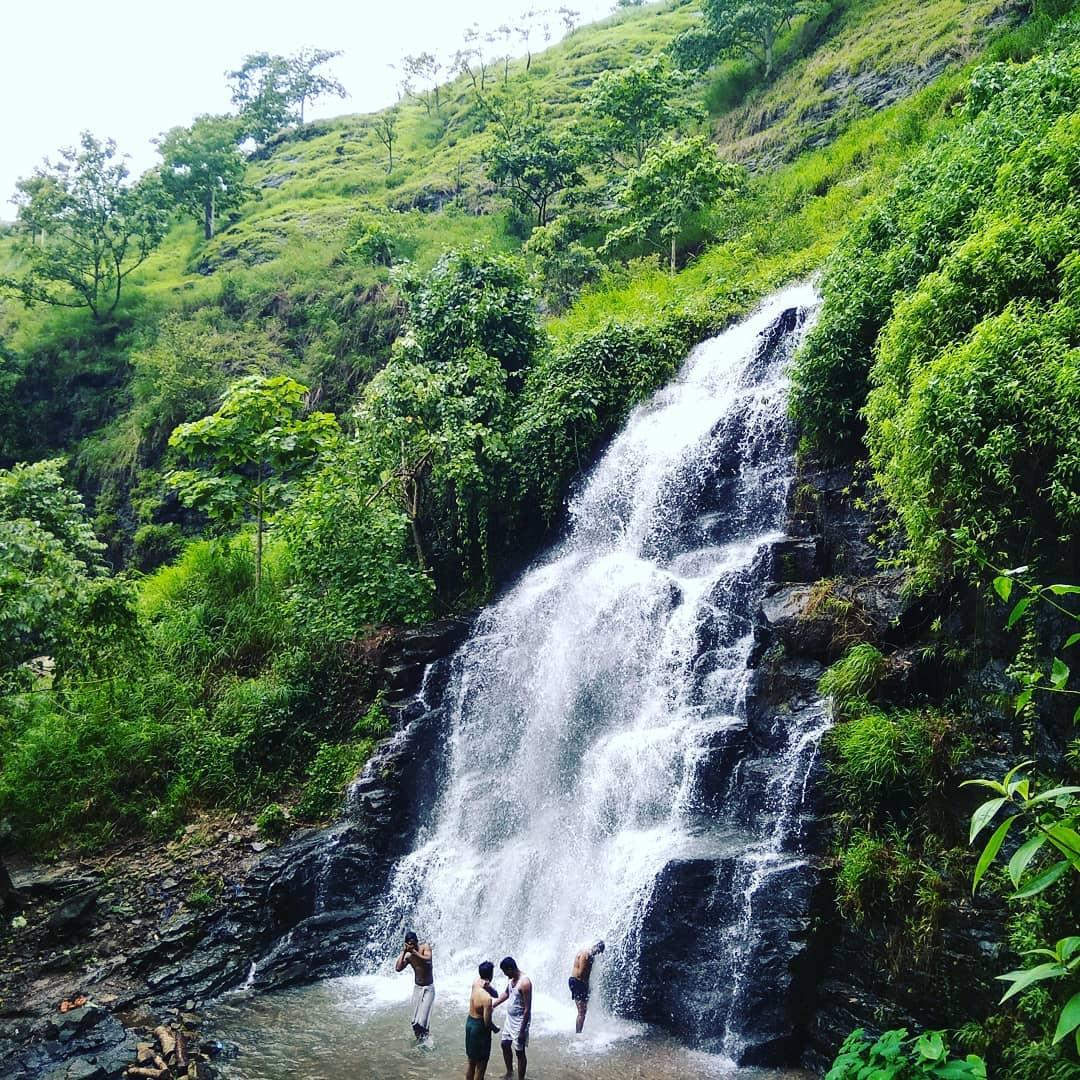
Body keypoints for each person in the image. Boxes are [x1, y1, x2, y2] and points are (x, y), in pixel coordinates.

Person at [493, 956, 532, 1080]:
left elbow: (527, 1009)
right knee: (505, 1044)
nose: (505, 975)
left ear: (510, 969)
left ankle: (521, 1078)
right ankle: (509, 1073)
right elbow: (507, 993)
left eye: (505, 972)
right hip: (510, 1020)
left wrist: (522, 1031)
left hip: (520, 1021)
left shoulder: (525, 983)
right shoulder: (512, 980)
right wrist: (494, 1004)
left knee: (519, 1052)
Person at [395, 931, 435, 1039]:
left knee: (422, 1021)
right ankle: (420, 1039)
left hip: (428, 988)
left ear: (417, 942)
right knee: (414, 1022)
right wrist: (404, 952)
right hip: (417, 988)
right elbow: (398, 968)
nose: (412, 945)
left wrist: (414, 952)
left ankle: (427, 1039)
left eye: (413, 943)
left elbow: (428, 959)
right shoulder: (408, 956)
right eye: (409, 944)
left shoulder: (425, 947)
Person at [465, 960, 500, 1080]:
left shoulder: (475, 983)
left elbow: (496, 995)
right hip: (480, 1029)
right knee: (481, 1066)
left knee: (471, 1063)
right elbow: (487, 1022)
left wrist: (489, 986)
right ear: (491, 974)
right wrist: (495, 1029)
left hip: (469, 1023)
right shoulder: (487, 999)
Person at [568, 940, 605, 1033]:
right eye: (598, 951)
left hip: (578, 982)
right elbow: (581, 973)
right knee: (582, 1012)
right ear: (596, 946)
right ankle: (578, 1034)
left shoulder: (588, 953)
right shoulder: (586, 954)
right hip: (578, 982)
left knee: (582, 1011)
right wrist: (585, 987)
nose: (598, 953)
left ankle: (579, 1031)